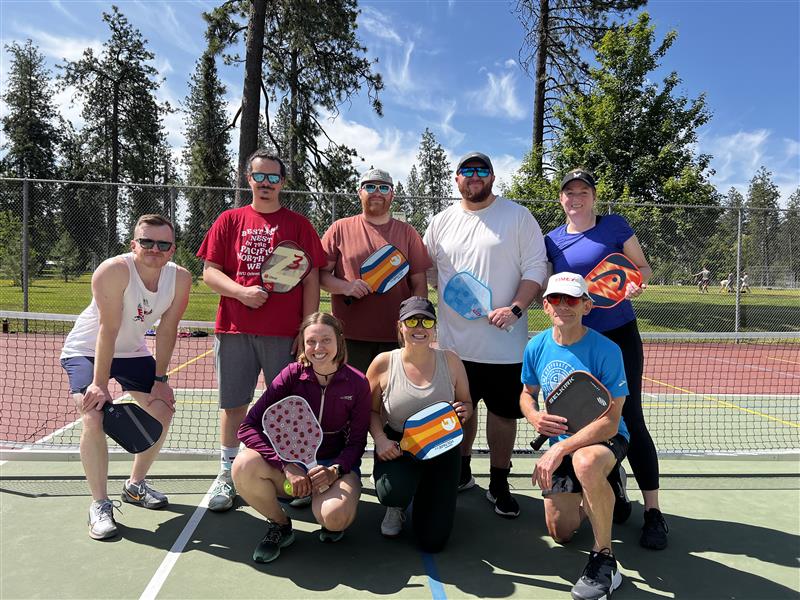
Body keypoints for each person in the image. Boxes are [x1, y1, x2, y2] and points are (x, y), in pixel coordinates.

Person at [197, 150, 327, 512]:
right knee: (234, 405)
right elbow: (210, 272)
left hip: (285, 334)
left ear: (283, 182)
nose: (266, 184)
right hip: (235, 331)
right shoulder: (229, 220)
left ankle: (296, 473)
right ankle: (227, 473)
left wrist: (309, 328)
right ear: (248, 178)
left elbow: (312, 277)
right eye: (259, 176)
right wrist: (240, 292)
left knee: (290, 406)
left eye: (273, 177)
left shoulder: (299, 225)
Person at [545, 168, 668, 550]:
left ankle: (653, 512)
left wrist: (616, 290)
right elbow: (548, 291)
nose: (576, 197)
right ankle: (608, 478)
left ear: (594, 196)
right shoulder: (551, 240)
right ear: (562, 199)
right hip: (576, 341)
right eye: (569, 192)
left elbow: (643, 270)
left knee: (630, 417)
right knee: (583, 415)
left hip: (619, 335)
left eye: (583, 191)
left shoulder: (615, 226)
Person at [424, 151, 547, 518]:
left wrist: (515, 308)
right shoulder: (441, 221)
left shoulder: (518, 216)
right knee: (461, 412)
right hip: (453, 348)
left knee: (503, 416)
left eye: (481, 170)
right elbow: (430, 272)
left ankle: (498, 481)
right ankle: (461, 474)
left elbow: (536, 269)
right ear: (456, 178)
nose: (474, 176)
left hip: (506, 347)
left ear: (492, 177)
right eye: (467, 170)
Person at [60, 214, 192, 540]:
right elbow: (109, 328)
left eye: (163, 244)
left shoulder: (181, 278)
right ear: (133, 244)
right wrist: (99, 384)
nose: (154, 249)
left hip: (132, 352)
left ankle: (135, 485)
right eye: (146, 241)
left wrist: (160, 378)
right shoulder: (114, 271)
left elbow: (168, 329)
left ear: (172, 249)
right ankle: (99, 504)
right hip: (87, 350)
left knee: (163, 408)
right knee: (93, 413)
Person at [520, 272, 629, 600]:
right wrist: (535, 415)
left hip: (604, 440)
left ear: (587, 305)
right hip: (562, 443)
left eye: (572, 300)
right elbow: (526, 394)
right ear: (546, 305)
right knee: (561, 532)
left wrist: (560, 449)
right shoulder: (536, 346)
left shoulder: (607, 350)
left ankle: (605, 559)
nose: (563, 306)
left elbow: (610, 422)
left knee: (585, 462)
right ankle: (609, 487)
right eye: (556, 299)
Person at [233, 312, 371, 563]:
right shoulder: (291, 375)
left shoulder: (358, 383)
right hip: (290, 467)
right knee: (243, 465)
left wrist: (336, 470)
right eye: (311, 341)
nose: (318, 348)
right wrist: (286, 466)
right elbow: (247, 427)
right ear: (302, 343)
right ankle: (280, 525)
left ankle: (322, 503)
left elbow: (357, 443)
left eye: (326, 340)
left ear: (339, 340)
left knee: (335, 518)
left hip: (333, 466)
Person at [366, 296, 473, 551]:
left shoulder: (451, 361)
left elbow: (467, 403)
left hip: (442, 446)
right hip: (399, 444)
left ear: (434, 327)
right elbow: (369, 410)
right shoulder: (384, 362)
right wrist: (380, 440)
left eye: (426, 321)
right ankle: (397, 505)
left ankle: (428, 491)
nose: (419, 327)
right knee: (392, 492)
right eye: (412, 321)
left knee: (433, 541)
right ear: (400, 326)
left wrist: (464, 410)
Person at [320, 167, 432, 373]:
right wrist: (346, 287)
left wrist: (412, 323)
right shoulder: (339, 228)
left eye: (384, 187)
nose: (377, 192)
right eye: (370, 186)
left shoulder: (408, 233)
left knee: (392, 402)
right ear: (359, 192)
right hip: (348, 336)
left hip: (396, 338)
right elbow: (321, 276)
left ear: (392, 194)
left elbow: (419, 284)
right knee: (351, 400)